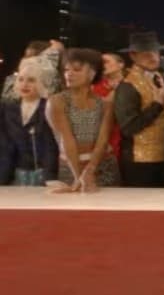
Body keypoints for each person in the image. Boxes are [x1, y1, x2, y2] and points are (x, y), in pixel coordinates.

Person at [48, 48, 120, 191]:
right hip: (70, 167)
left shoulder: (105, 104)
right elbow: (66, 140)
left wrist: (90, 170)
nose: (69, 74)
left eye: (76, 69)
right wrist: (78, 176)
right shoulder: (57, 101)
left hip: (104, 167)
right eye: (66, 70)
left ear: (92, 73)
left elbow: (103, 140)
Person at [114, 32, 164, 187]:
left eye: (155, 52)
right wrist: (156, 106)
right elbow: (128, 128)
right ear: (133, 55)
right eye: (146, 53)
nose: (153, 57)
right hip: (139, 161)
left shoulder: (159, 78)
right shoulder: (127, 86)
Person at [0, 57, 59, 185]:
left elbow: (50, 146)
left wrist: (49, 178)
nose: (24, 84)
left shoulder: (49, 107)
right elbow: (4, 146)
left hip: (43, 174)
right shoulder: (6, 108)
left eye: (31, 80)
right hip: (12, 175)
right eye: (20, 79)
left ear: (41, 83)